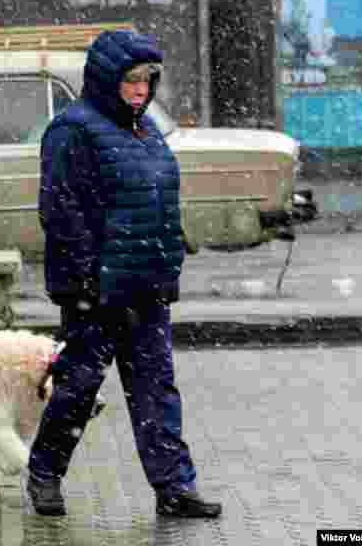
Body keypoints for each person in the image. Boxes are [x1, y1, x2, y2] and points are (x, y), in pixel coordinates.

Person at [26, 29, 221, 519]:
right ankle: (45, 474)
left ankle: (175, 487)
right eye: (130, 79)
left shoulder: (146, 129)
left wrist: (169, 250)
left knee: (156, 388)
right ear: (106, 78)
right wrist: (87, 276)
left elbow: (157, 198)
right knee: (77, 387)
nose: (139, 89)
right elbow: (59, 208)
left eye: (147, 80)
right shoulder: (73, 129)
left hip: (146, 284)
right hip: (96, 289)